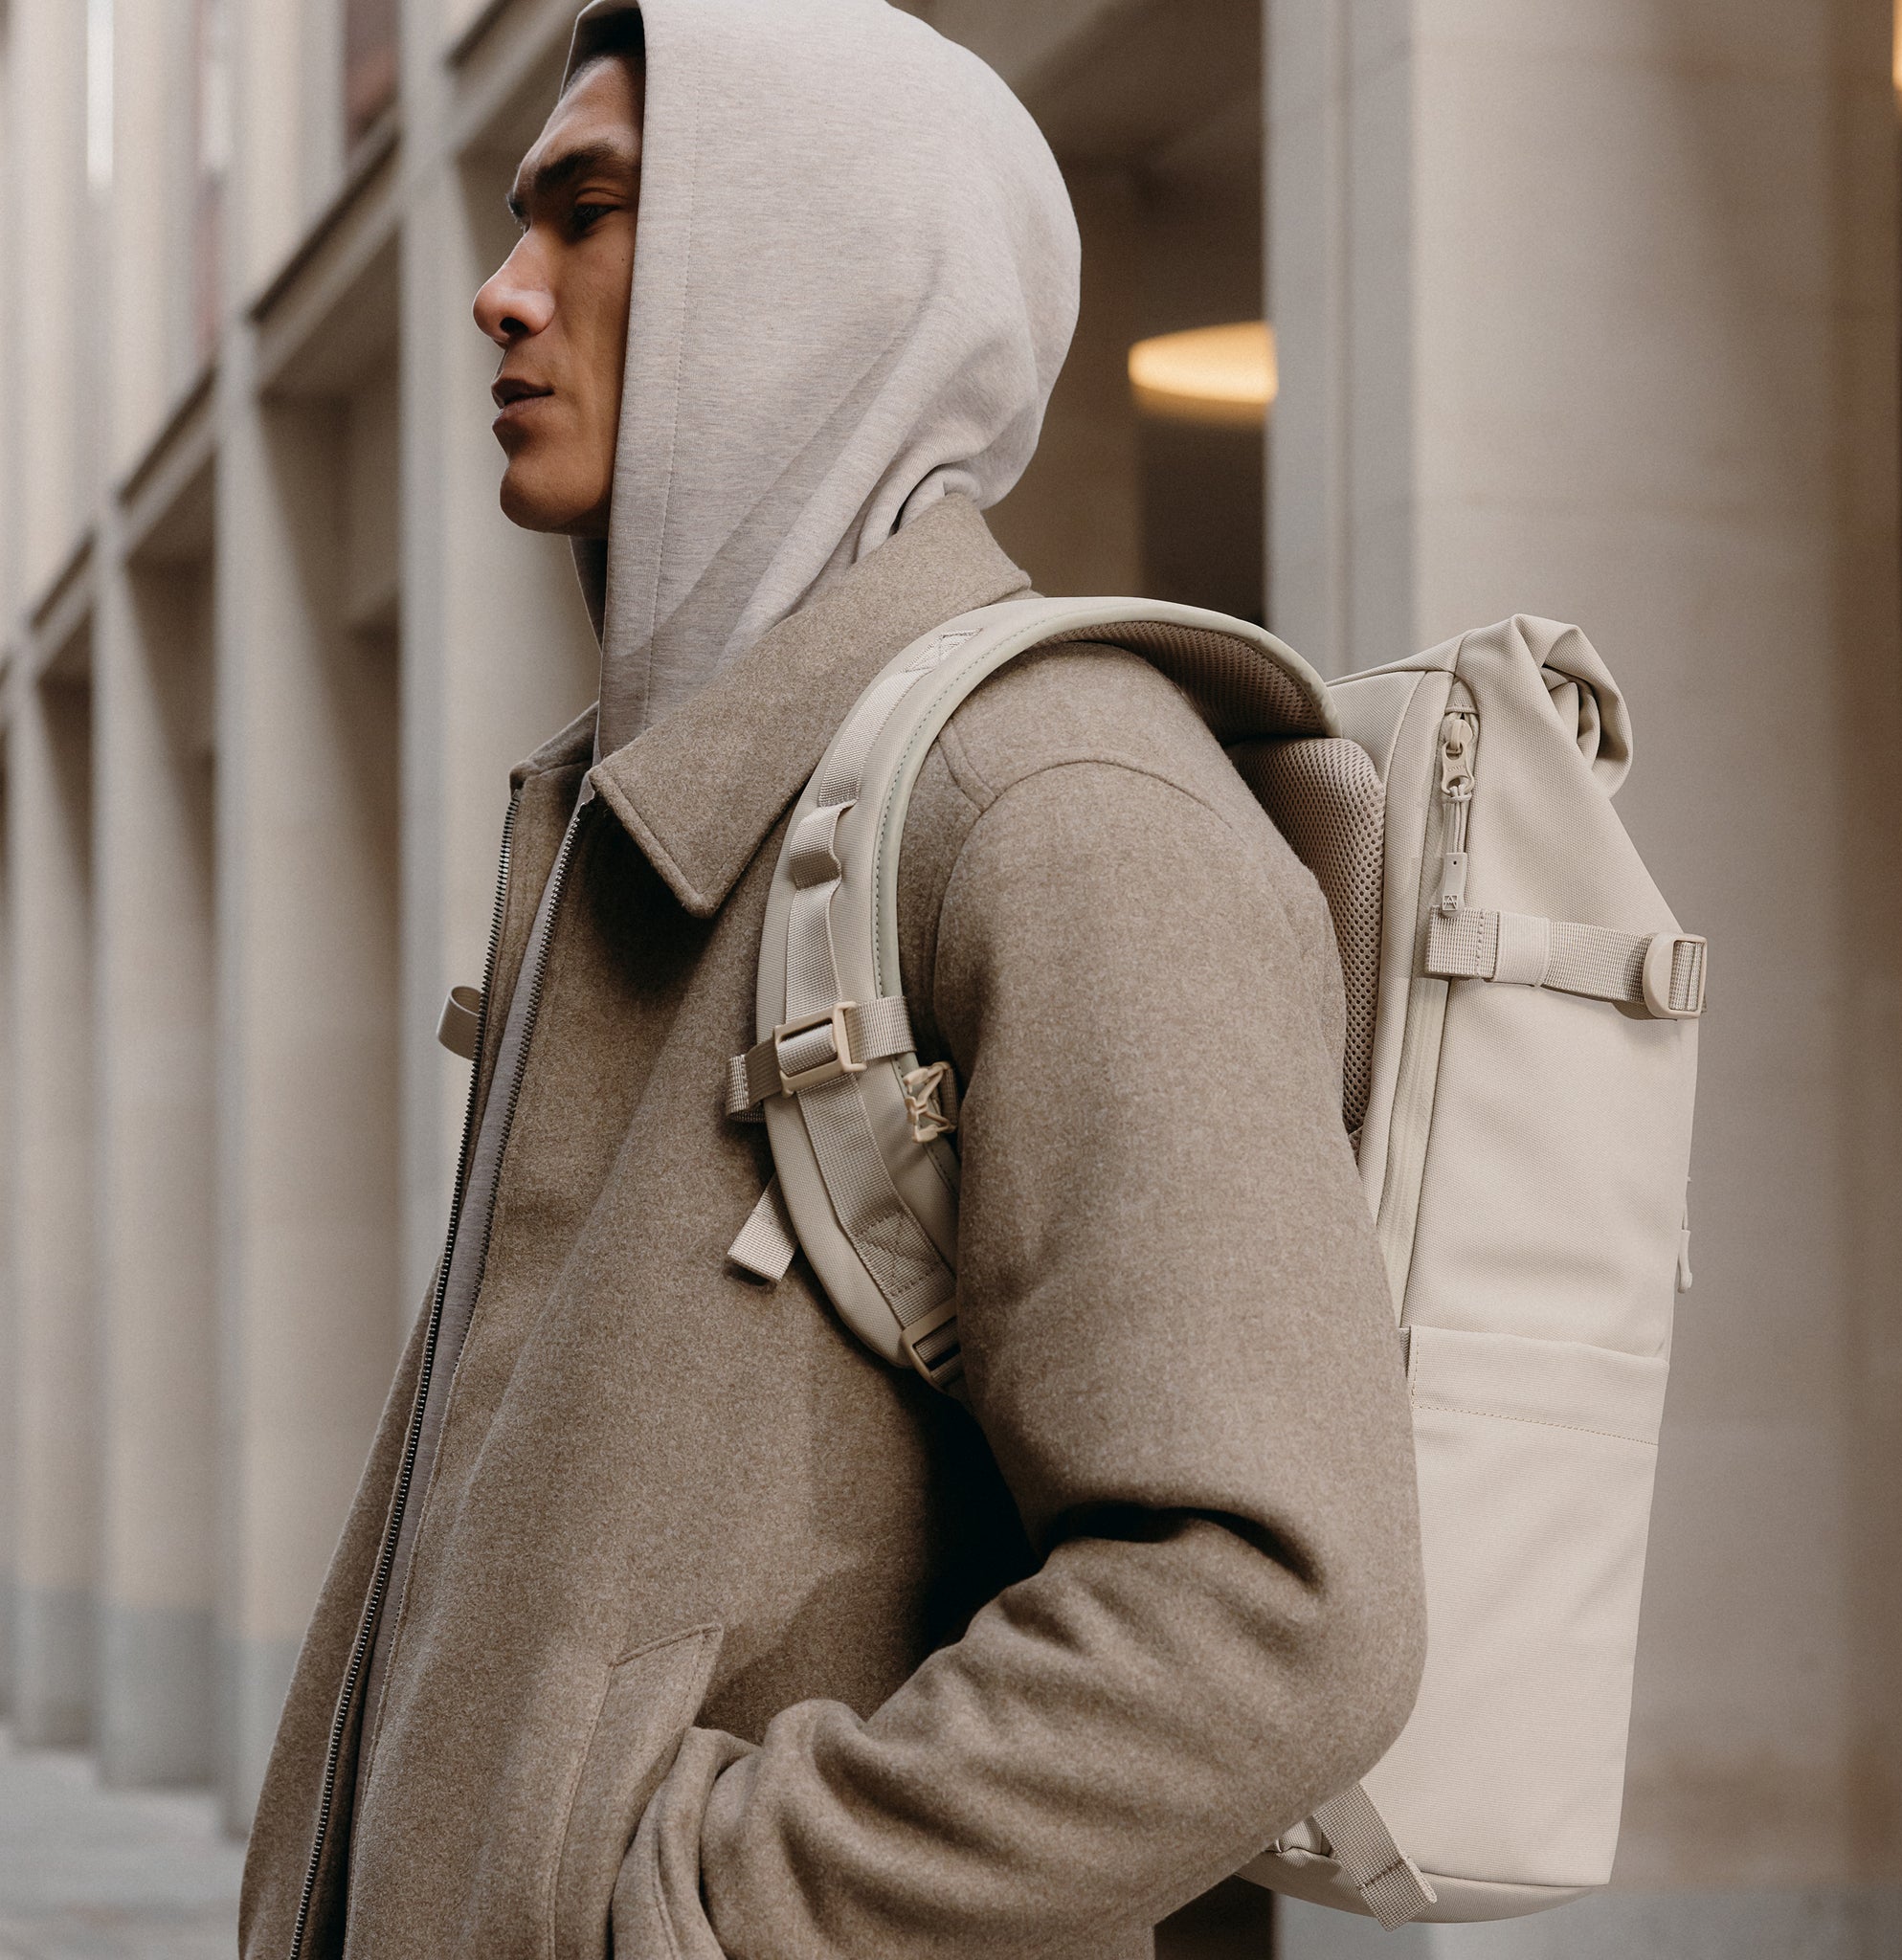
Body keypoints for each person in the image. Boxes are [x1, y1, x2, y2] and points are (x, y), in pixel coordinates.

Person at [239, 4, 1424, 1955]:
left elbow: (1272, 1607)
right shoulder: (668, 810)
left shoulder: (1056, 796)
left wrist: (697, 1913)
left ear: (811, 267)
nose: (501, 290)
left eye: (588, 213)